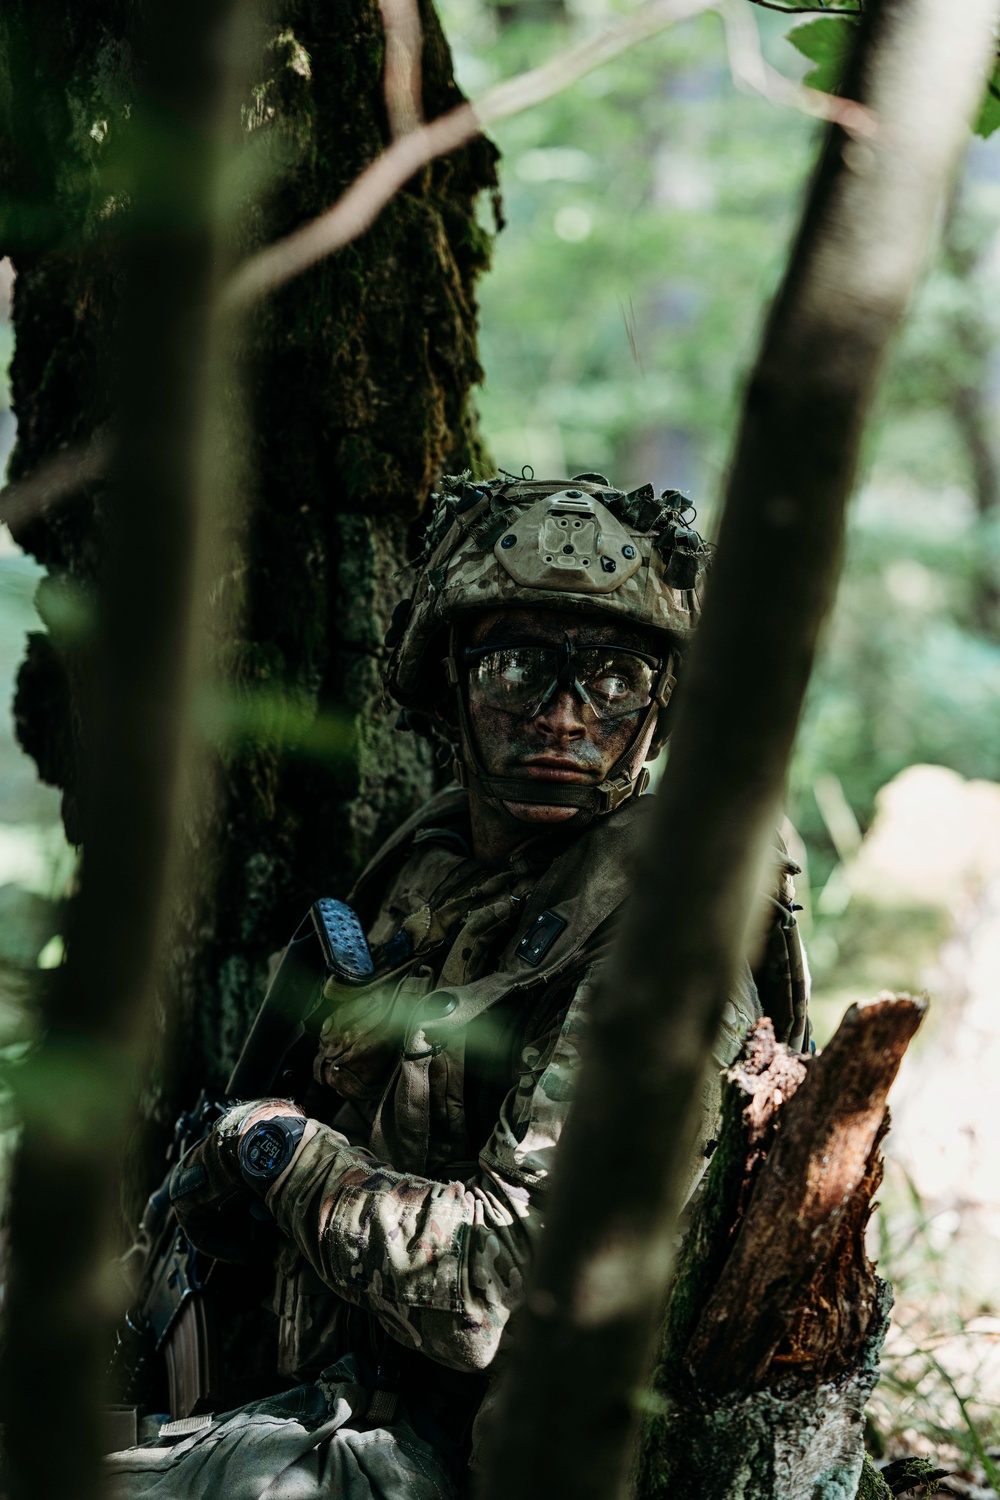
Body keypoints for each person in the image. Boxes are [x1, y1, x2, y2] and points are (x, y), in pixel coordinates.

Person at [106, 472, 809, 1499]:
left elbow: (497, 1291)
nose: (564, 717)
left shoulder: (670, 933)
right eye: (517, 668)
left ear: (663, 701)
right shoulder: (429, 864)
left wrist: (280, 1154)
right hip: (339, 1395)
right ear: (449, 679)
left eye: (615, 678)